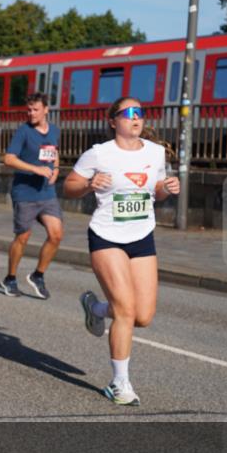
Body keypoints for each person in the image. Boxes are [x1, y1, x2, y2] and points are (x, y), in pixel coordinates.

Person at [63, 96, 180, 406]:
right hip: (106, 236)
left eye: (139, 113)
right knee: (126, 310)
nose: (135, 118)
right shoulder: (99, 154)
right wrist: (89, 184)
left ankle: (97, 309)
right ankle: (119, 383)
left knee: (143, 316)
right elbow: (69, 186)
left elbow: (156, 190)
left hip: (142, 236)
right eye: (128, 113)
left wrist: (165, 189)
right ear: (113, 121)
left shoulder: (155, 153)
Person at [1, 93, 63, 299]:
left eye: (35, 109)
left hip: (46, 192)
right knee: (23, 237)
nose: (31, 113)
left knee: (56, 234)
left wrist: (55, 169)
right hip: (25, 192)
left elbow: (54, 153)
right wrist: (35, 169)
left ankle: (38, 275)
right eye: (28, 110)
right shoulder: (23, 132)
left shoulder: (54, 130)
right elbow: (9, 159)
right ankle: (10, 278)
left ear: (46, 109)